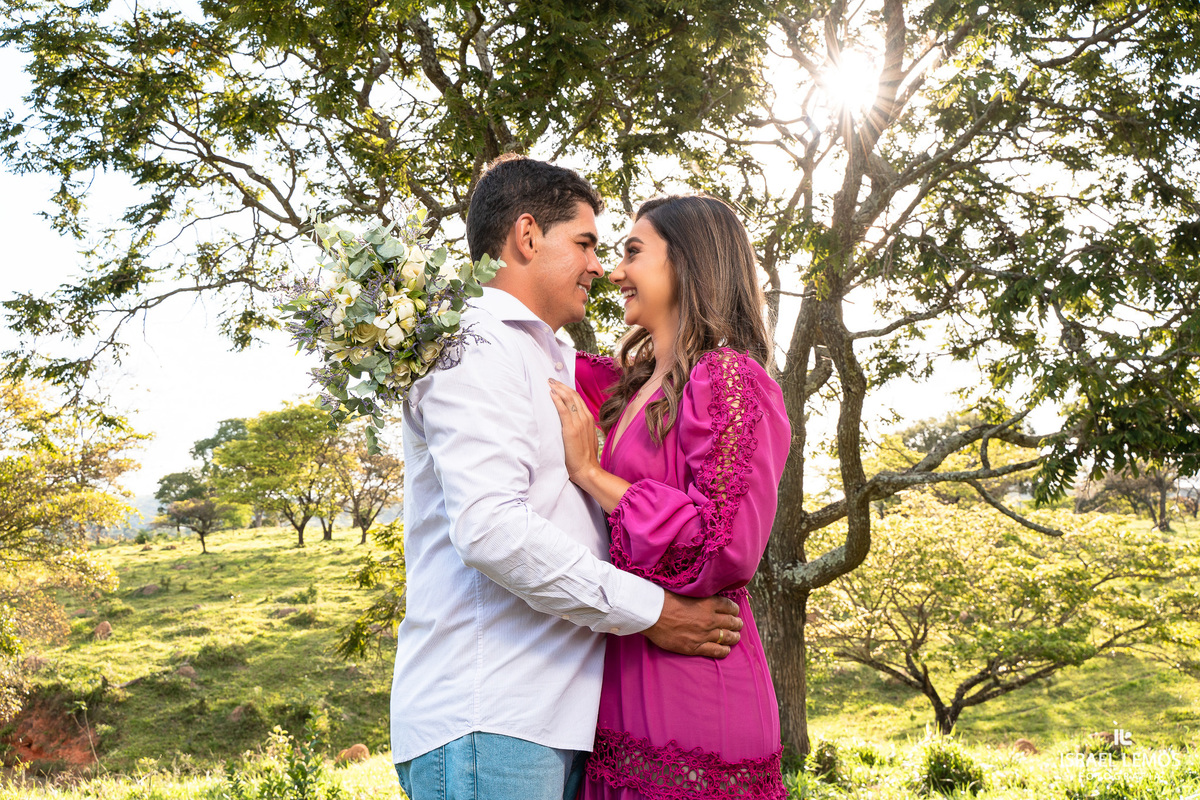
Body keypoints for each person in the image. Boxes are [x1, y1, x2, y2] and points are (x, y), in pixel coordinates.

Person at [391, 157, 746, 800]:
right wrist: (652, 613)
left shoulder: (547, 353)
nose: (598, 266)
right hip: (490, 716)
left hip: (553, 720)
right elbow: (491, 529)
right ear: (527, 237)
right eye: (584, 242)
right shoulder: (477, 346)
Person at [548, 195, 791, 800]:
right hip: (626, 668)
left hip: (695, 676)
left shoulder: (726, 376)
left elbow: (724, 546)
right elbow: (520, 341)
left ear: (685, 264)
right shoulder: (623, 383)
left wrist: (592, 474)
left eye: (632, 252)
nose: (613, 269)